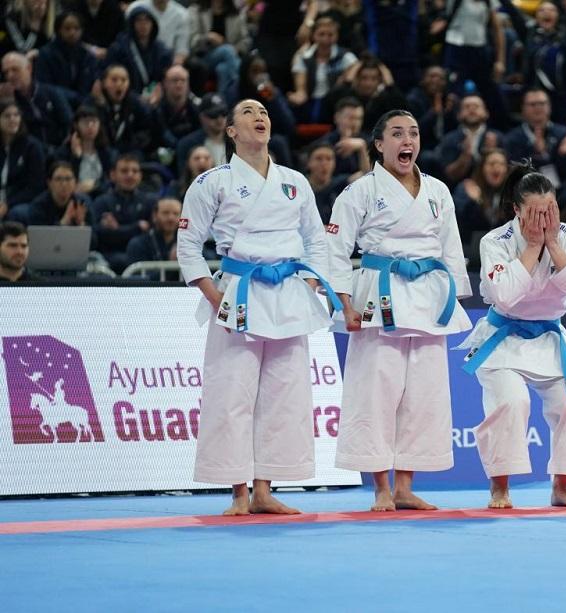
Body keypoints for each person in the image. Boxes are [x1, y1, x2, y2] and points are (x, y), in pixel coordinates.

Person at [177, 98, 340, 515]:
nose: (260, 117)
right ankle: (238, 492)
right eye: (248, 112)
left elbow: (315, 239)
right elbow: (189, 244)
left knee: (283, 395)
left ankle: (265, 489)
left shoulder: (293, 181)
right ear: (231, 132)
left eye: (264, 112)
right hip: (240, 293)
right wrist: (214, 297)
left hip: (287, 293)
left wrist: (310, 282)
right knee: (233, 392)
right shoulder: (212, 182)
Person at [327, 109, 473, 512]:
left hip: (427, 297)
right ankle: (380, 488)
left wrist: (453, 297)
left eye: (413, 132)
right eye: (396, 133)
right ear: (379, 145)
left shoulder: (438, 191)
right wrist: (345, 303)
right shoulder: (359, 191)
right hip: (381, 295)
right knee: (375, 393)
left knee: (424, 396)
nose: (407, 140)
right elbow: (335, 251)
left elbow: (451, 247)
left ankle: (406, 486)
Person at [457, 163, 566, 509]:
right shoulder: (496, 241)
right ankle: (500, 488)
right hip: (503, 337)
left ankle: (561, 488)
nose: (544, 219)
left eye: (550, 210)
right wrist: (532, 248)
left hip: (551, 337)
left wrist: (552, 245)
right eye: (535, 213)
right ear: (516, 210)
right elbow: (504, 295)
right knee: (511, 403)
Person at [0, 99, 47, 219]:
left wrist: (8, 204)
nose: (12, 119)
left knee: (17, 214)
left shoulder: (32, 146)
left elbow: (35, 187)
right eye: (7, 116)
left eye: (16, 115)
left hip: (21, 200)